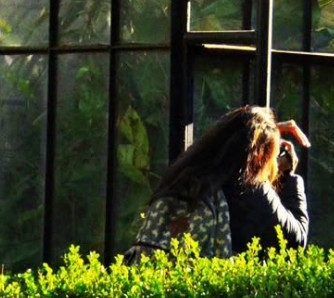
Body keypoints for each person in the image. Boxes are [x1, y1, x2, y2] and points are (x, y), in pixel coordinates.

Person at [124, 105, 308, 263]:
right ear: (261, 156)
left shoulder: (185, 173)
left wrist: (265, 132)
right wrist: (287, 176)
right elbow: (296, 241)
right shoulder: (250, 187)